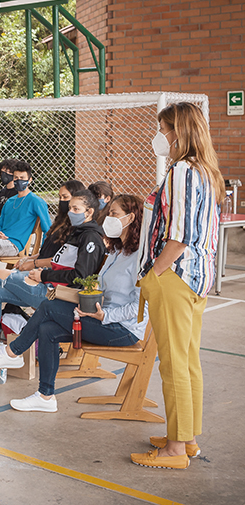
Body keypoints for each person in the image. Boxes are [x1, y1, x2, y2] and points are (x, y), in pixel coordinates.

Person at [0, 195, 147, 414]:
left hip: (122, 329)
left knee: (49, 306)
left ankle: (13, 352)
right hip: (99, 315)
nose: (108, 218)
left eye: (114, 214)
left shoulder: (140, 259)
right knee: (47, 330)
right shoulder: (117, 251)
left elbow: (140, 308)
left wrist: (105, 316)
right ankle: (45, 396)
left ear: (130, 218)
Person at [131, 102, 223, 470]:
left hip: (175, 276)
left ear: (178, 132)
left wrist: (155, 272)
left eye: (163, 129)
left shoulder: (182, 170)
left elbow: (180, 235)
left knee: (173, 365)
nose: (160, 136)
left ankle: (174, 449)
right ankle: (187, 438)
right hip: (197, 277)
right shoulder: (206, 170)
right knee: (188, 361)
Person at [0, 189, 105, 364]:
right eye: (70, 208)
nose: (70, 212)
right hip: (48, 285)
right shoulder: (77, 232)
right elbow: (59, 262)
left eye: (76, 209)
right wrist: (38, 269)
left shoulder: (90, 238)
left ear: (89, 212)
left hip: (57, 295)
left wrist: (43, 274)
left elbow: (80, 276)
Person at [0, 161, 51, 290]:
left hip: (13, 245)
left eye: (22, 178)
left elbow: (48, 229)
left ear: (30, 180)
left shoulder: (36, 201)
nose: (19, 181)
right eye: (16, 178)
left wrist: (44, 253)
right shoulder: (9, 201)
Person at [12, 179, 86, 272]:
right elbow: (45, 253)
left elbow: (62, 260)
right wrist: (26, 259)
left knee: (1, 275)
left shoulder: (76, 227)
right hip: (39, 266)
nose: (61, 200)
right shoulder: (60, 221)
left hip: (49, 271)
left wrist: (34, 263)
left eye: (65, 197)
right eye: (60, 197)